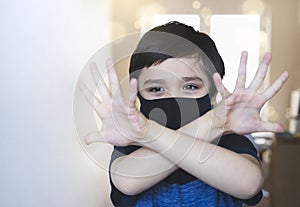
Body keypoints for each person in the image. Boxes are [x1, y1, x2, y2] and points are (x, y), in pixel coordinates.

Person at [79, 22, 288, 207]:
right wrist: (213, 123)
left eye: (190, 86)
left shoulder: (228, 137)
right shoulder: (133, 139)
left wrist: (218, 126)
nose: (176, 100)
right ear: (138, 97)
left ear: (214, 94)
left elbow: (249, 184)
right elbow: (127, 181)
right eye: (155, 90)